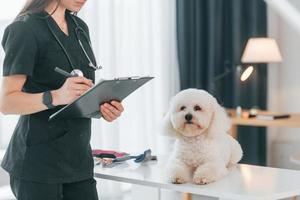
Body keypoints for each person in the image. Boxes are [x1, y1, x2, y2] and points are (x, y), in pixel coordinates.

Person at [0, 0, 124, 199]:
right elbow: (7, 103)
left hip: (78, 160)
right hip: (37, 164)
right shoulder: (24, 29)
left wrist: (101, 108)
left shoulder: (79, 28)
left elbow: (79, 92)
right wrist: (56, 96)